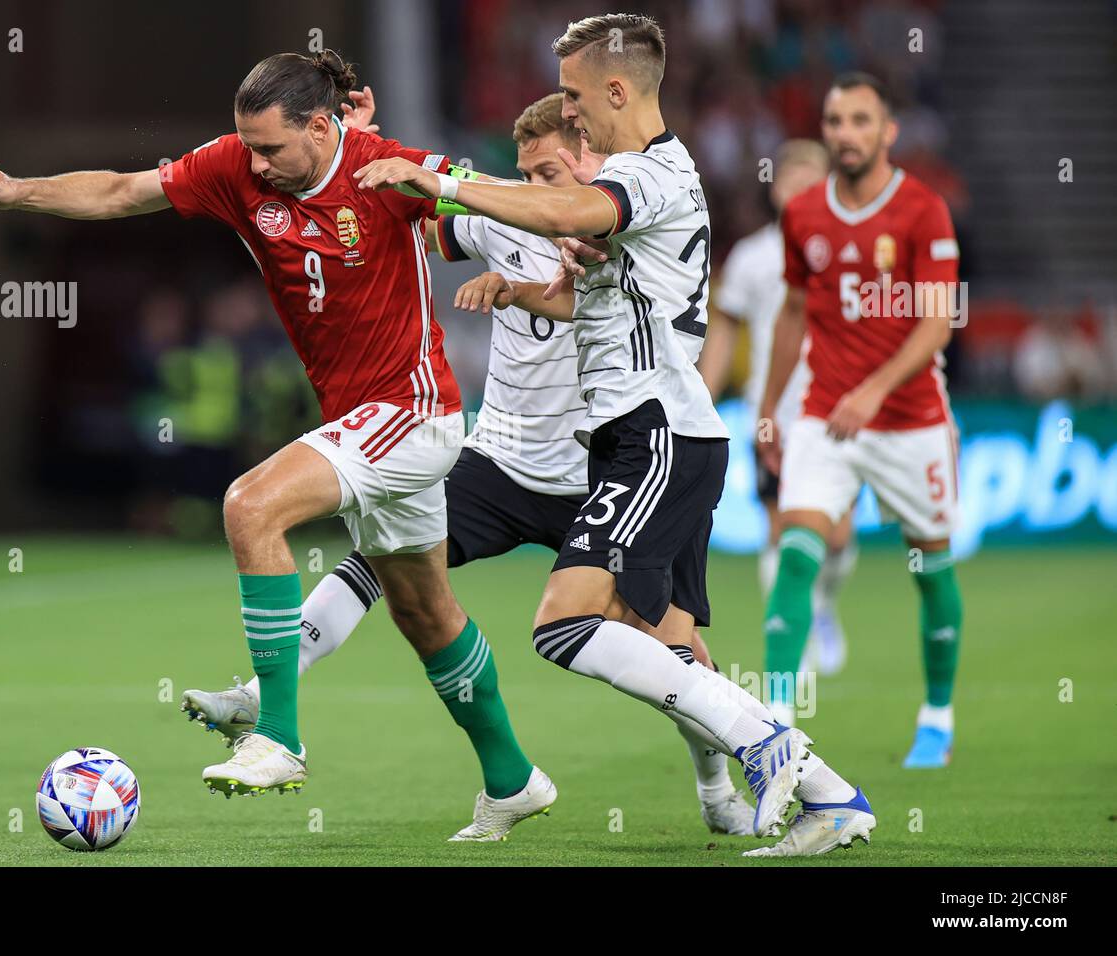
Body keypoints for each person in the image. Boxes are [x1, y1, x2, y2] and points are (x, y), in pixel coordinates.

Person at [0, 51, 556, 841]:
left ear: (320, 125)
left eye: (270, 147)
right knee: (424, 611)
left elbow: (503, 206)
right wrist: (15, 189)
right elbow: (122, 191)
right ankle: (513, 779)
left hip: (413, 408)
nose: (255, 162)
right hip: (358, 417)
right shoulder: (237, 167)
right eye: (247, 145)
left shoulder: (388, 170)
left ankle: (277, 735)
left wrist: (558, 242)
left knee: (250, 504)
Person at [353, 13, 874, 855]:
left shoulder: (651, 176)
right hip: (644, 440)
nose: (569, 110)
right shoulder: (641, 183)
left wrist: (441, 182)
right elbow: (588, 245)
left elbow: (571, 205)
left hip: (658, 436)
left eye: (572, 94)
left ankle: (766, 747)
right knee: (662, 637)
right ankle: (827, 792)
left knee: (565, 625)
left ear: (617, 90)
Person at [185, 90, 756, 836]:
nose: (532, 185)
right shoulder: (498, 212)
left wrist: (519, 290)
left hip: (613, 469)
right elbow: (386, 231)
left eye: (548, 170)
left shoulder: (629, 219)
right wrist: (352, 155)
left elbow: (592, 301)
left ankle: (718, 790)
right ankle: (271, 692)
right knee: (383, 563)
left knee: (673, 646)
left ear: (590, 158)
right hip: (502, 455)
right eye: (524, 172)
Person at [757, 72, 964, 769]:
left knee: (931, 569)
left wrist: (875, 391)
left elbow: (938, 324)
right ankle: (778, 728)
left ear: (887, 131)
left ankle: (936, 715)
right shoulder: (804, 214)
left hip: (909, 419)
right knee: (794, 550)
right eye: (835, 120)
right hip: (825, 417)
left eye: (859, 121)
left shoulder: (923, 211)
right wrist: (768, 407)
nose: (845, 133)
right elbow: (792, 314)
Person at [698, 139, 857, 679]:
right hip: (772, 413)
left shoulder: (852, 251)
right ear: (776, 187)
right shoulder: (751, 258)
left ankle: (824, 606)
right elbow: (724, 333)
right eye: (792, 179)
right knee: (781, 528)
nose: (801, 188)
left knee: (836, 536)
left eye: (813, 178)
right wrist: (701, 398)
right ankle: (797, 635)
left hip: (841, 410)